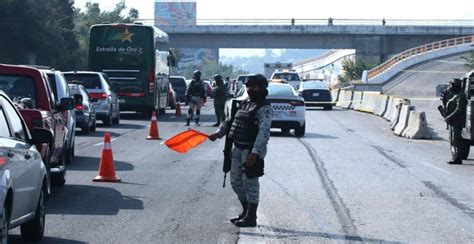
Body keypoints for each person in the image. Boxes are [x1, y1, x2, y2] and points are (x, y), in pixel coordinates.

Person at [208, 74, 272, 228]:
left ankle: (251, 216)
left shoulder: (264, 108)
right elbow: (229, 122)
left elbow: (264, 132)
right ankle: (245, 211)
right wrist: (218, 133)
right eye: (248, 86)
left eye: (253, 86)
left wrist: (255, 153)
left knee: (250, 182)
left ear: (262, 87)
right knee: (236, 181)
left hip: (251, 150)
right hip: (237, 148)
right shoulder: (244, 104)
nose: (250, 89)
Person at [444, 78, 467, 164]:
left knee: (456, 139)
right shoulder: (455, 95)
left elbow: (459, 109)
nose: (450, 87)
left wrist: (449, 116)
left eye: (451, 85)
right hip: (453, 121)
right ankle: (455, 157)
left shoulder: (460, 95)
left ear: (455, 85)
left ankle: (458, 158)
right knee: (453, 139)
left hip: (457, 121)